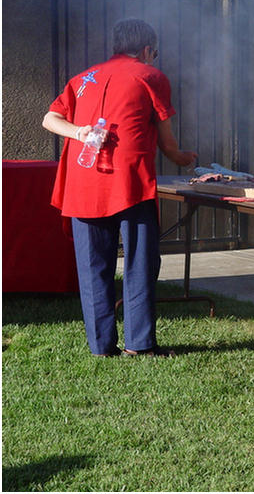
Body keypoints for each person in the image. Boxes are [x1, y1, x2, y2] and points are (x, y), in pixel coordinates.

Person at [42, 18, 198, 358]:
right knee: (139, 264)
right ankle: (140, 345)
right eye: (154, 52)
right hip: (130, 184)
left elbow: (49, 119)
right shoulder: (150, 77)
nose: (154, 58)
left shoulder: (83, 78)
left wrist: (80, 132)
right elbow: (168, 144)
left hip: (83, 184)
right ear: (146, 50)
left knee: (93, 266)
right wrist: (187, 159)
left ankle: (101, 347)